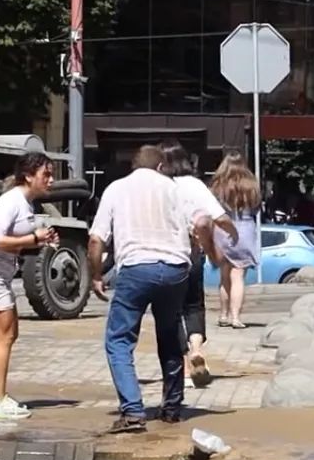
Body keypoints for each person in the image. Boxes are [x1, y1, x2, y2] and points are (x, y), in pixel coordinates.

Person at [88, 145, 220, 433]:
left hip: (135, 269)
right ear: (161, 167)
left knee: (119, 341)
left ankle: (133, 412)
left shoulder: (116, 188)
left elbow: (97, 239)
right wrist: (208, 250)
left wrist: (96, 274)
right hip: (175, 271)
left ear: (134, 166)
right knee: (170, 336)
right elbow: (203, 221)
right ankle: (172, 408)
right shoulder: (176, 189)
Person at [0, 152, 57, 420]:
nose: (50, 180)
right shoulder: (12, 201)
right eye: (45, 175)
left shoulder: (24, 202)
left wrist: (40, 239)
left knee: (8, 334)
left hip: (0, 273)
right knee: (4, 336)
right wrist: (33, 238)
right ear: (28, 176)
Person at [154, 141, 236, 389]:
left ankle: (185, 369)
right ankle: (197, 349)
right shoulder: (195, 185)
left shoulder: (157, 187)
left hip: (165, 256)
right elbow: (218, 217)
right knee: (194, 306)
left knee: (171, 312)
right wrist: (233, 233)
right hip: (193, 253)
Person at [209, 152, 261, 330]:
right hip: (245, 228)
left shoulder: (218, 185)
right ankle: (236, 317)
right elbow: (256, 207)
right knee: (238, 276)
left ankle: (223, 314)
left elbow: (211, 209)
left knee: (224, 275)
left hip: (222, 228)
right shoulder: (251, 184)